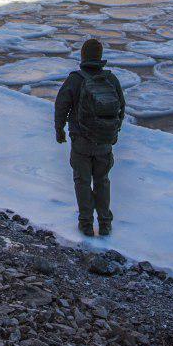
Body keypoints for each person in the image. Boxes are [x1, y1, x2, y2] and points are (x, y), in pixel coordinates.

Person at [54, 38, 125, 236]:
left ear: (83, 55)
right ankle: (105, 223)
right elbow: (121, 107)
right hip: (104, 142)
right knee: (102, 180)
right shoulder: (110, 79)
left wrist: (59, 130)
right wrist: (114, 131)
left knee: (82, 181)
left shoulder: (75, 79)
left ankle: (86, 223)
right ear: (100, 56)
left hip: (81, 142)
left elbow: (61, 106)